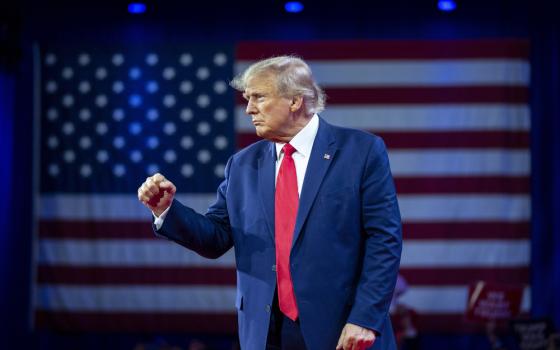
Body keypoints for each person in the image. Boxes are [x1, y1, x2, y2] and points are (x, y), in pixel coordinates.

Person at [137, 56, 402, 350]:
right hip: (265, 333)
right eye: (248, 99)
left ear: (295, 100)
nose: (249, 108)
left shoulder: (360, 151)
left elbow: (384, 240)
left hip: (342, 328)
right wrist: (166, 211)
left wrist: (365, 318)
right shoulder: (242, 165)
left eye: (259, 98)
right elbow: (216, 237)